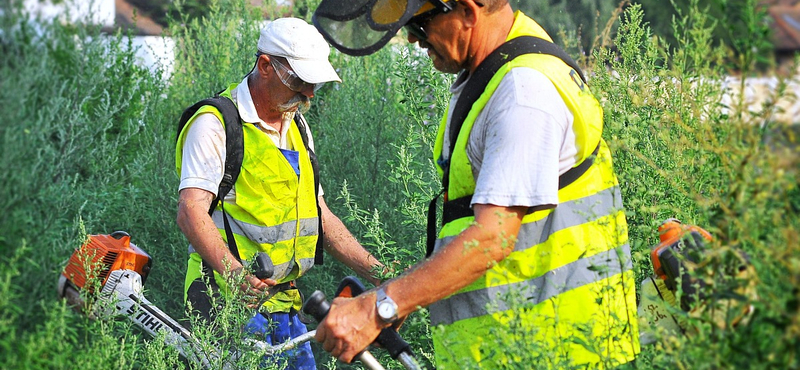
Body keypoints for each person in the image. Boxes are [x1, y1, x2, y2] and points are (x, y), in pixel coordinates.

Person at [310, 0, 640, 368]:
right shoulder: (494, 73)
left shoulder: (522, 92)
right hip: (516, 345)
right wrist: (397, 298)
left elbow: (491, 237)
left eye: (420, 26)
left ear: (467, 12)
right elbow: (472, 226)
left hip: (552, 348)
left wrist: (380, 307)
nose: (413, 39)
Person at [175, 17, 385, 370]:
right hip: (225, 303)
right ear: (266, 66)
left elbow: (320, 216)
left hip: (286, 305)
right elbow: (190, 211)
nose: (309, 94)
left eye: (313, 83)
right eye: (300, 81)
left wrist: (381, 273)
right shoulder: (215, 122)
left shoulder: (297, 127)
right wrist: (236, 276)